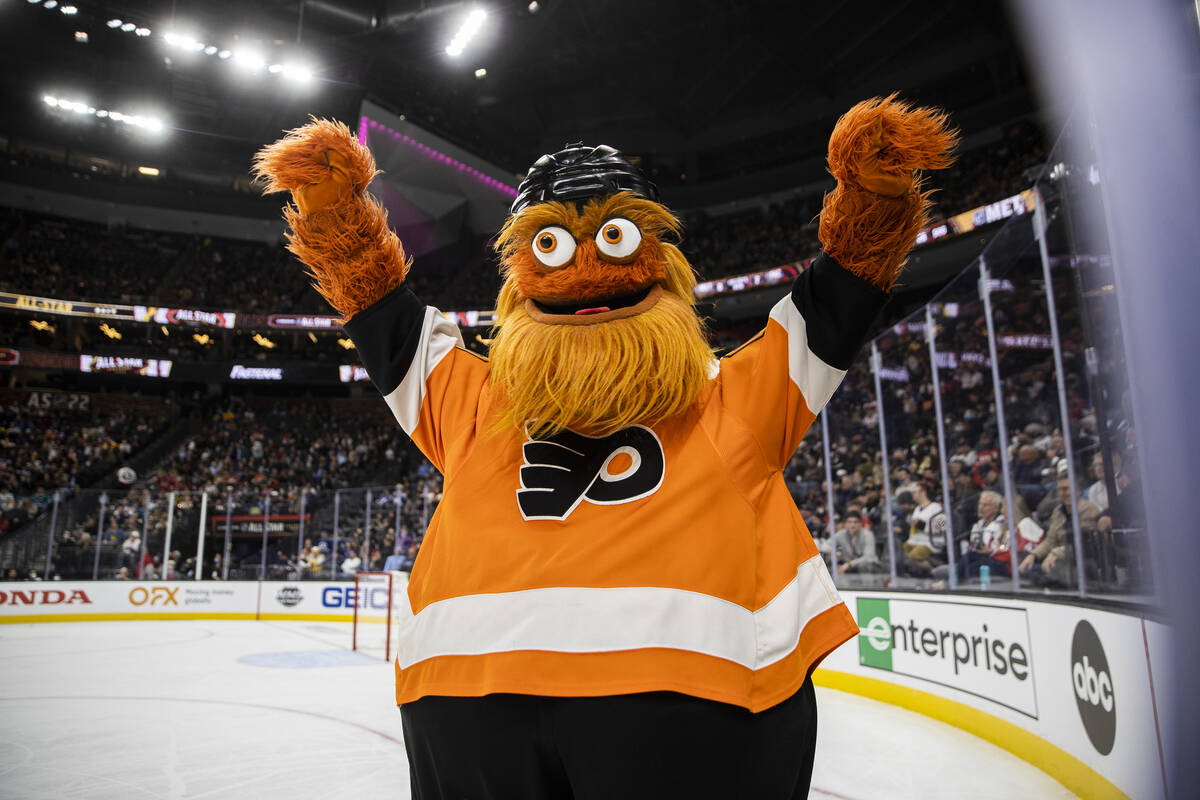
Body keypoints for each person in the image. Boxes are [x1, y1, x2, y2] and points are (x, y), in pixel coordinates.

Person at [255, 95, 956, 798]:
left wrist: (337, 215)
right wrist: (874, 198)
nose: (585, 270)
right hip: (697, 687)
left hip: (473, 685)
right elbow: (836, 302)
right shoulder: (735, 395)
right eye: (552, 244)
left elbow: (384, 315)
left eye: (614, 237)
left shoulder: (474, 401)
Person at [1019, 477, 1100, 588]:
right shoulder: (1058, 511)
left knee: (1045, 574)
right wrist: (1033, 555)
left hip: (1080, 560)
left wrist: (1056, 553)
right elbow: (1050, 540)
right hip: (1057, 559)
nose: (1064, 493)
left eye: (1067, 489)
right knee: (1027, 568)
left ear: (1077, 491)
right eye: (1061, 489)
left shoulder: (1089, 509)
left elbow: (1083, 543)